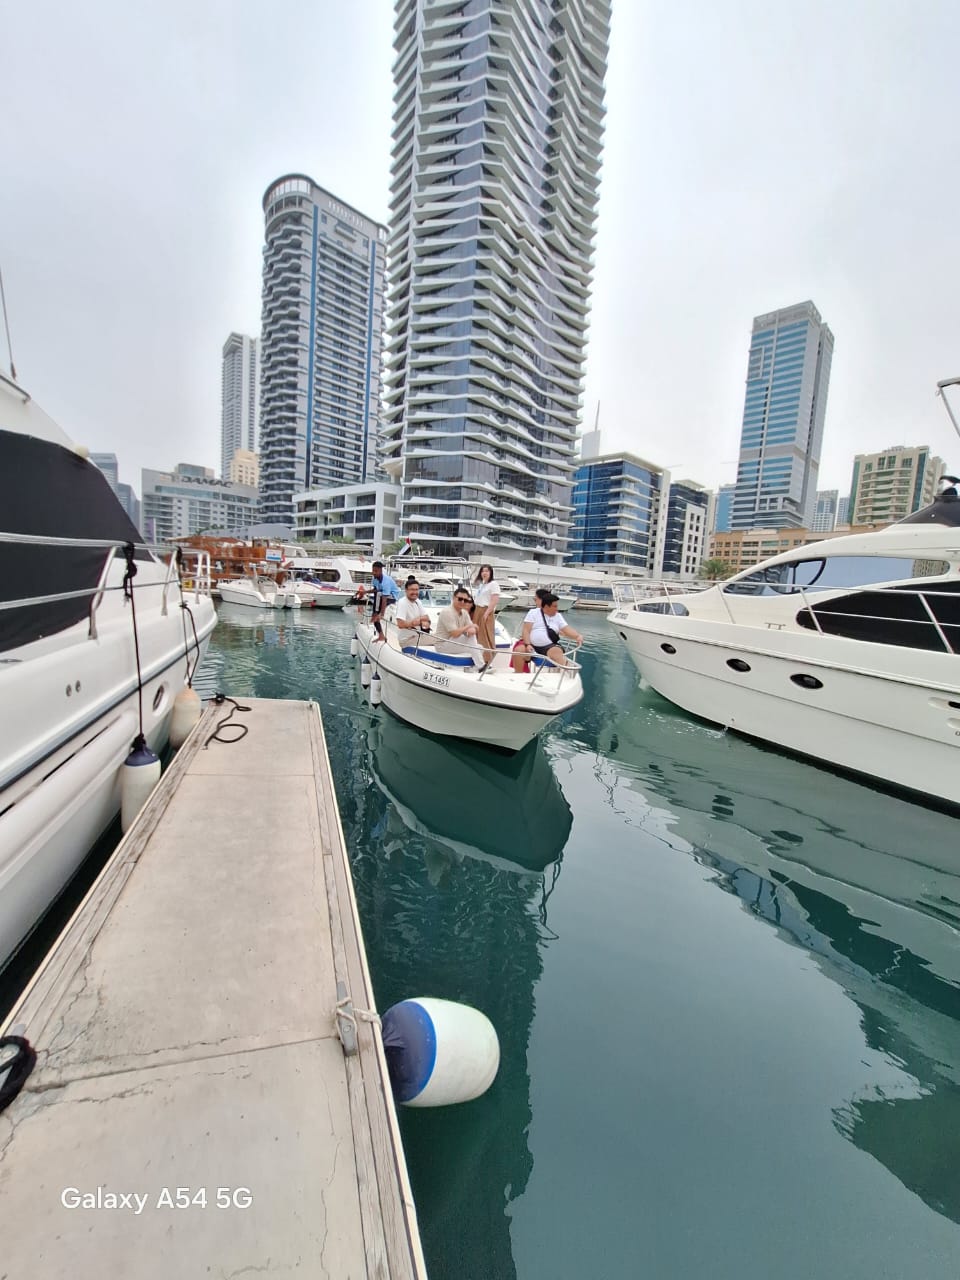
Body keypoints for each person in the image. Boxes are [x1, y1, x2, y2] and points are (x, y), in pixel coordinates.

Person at [515, 592, 583, 669]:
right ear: (546, 606)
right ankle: (518, 674)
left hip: (549, 646)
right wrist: (528, 644)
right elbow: (526, 630)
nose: (557, 608)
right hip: (531, 645)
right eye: (555, 606)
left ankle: (565, 671)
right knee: (519, 650)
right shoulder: (533, 613)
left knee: (556, 652)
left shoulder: (558, 616)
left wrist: (577, 636)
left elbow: (566, 629)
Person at [436, 588, 483, 667]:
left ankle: (474, 667)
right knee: (472, 641)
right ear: (453, 598)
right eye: (460, 599)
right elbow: (454, 633)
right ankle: (481, 666)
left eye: (465, 600)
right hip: (442, 645)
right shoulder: (447, 612)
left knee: (480, 647)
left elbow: (475, 629)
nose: (462, 602)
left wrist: (471, 630)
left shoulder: (464, 612)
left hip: (454, 643)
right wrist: (469, 627)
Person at [472, 564, 500, 664]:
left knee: (485, 635)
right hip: (478, 610)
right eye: (483, 571)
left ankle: (487, 659)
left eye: (487, 571)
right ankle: (479, 658)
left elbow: (494, 600)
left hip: (485, 610)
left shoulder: (493, 584)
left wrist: (487, 613)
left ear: (491, 573)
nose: (484, 573)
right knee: (477, 634)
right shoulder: (482, 584)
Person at [393, 579, 432, 651]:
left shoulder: (417, 601)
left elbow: (427, 617)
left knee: (442, 637)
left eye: (416, 590)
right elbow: (400, 624)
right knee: (440, 639)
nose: (415, 592)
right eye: (412, 589)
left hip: (418, 636)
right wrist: (417, 622)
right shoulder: (402, 603)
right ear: (406, 590)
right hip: (407, 640)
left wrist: (418, 620)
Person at [370, 561, 399, 640]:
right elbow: (375, 590)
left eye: (376, 571)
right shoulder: (375, 579)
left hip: (392, 597)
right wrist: (365, 592)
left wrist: (381, 614)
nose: (374, 573)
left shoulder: (385, 581)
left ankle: (376, 613)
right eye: (373, 570)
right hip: (381, 596)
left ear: (381, 571)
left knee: (379, 594)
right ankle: (381, 635)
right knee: (378, 593)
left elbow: (384, 599)